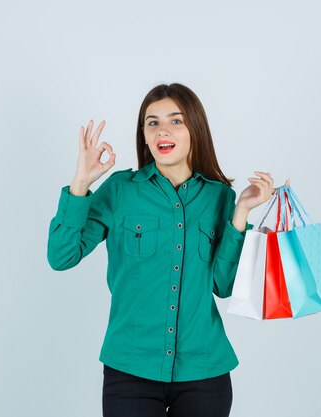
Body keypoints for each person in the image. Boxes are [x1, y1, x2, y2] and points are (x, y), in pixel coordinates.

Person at [47, 83, 275, 417]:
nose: (162, 130)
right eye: (152, 122)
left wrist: (240, 214)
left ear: (194, 130)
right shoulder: (120, 190)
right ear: (143, 134)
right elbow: (61, 256)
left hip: (205, 371)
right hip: (130, 369)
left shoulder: (220, 198)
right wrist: (81, 182)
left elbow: (223, 286)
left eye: (175, 121)